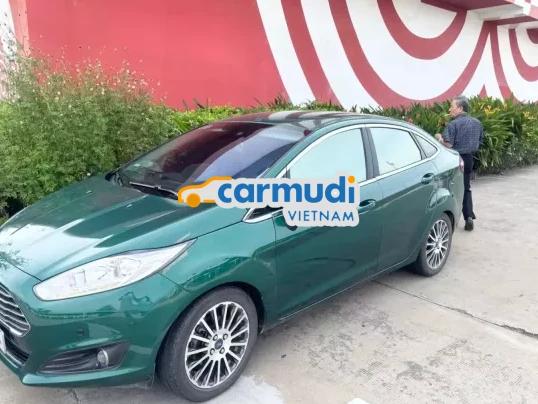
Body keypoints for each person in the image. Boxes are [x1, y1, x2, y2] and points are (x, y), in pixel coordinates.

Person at [435, 96, 483, 231]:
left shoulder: (453, 124)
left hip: (454, 160)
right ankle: (468, 217)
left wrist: (439, 138)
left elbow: (448, 144)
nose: (449, 109)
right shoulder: (477, 123)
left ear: (460, 108)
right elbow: (480, 141)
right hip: (468, 159)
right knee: (466, 187)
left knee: (449, 190)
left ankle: (447, 219)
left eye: (452, 107)